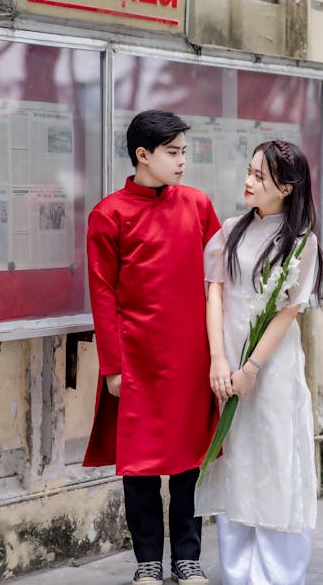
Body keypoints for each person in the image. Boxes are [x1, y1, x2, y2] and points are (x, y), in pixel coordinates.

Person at [83, 110, 221, 585]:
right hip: (137, 361)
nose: (183, 161)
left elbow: (218, 283)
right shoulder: (108, 214)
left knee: (190, 463)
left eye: (184, 152)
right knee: (139, 468)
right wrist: (113, 368)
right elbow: (103, 295)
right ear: (143, 155)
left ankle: (188, 558)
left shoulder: (199, 206)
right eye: (173, 152)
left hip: (192, 358)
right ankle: (147, 562)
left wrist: (220, 353)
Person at [195, 139, 323, 585]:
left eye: (259, 177)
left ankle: (277, 575)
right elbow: (215, 291)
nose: (248, 182)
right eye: (249, 171)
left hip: (270, 372)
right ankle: (237, 573)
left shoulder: (301, 244)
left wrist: (251, 370)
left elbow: (287, 313)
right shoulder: (231, 229)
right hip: (227, 364)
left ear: (286, 189)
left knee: (274, 461)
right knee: (236, 463)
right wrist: (218, 359)